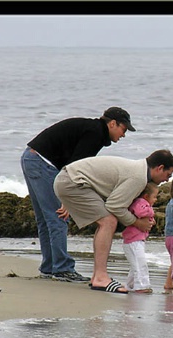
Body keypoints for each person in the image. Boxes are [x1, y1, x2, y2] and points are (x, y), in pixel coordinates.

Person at [21, 106, 136, 283]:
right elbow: (75, 168)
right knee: (59, 216)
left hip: (31, 157)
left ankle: (50, 267)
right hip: (42, 162)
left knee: (46, 219)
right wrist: (67, 200)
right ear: (113, 123)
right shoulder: (96, 134)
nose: (124, 134)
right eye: (124, 129)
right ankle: (62, 269)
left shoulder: (93, 129)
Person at [53, 149, 173, 294]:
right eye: (168, 175)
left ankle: (97, 276)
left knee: (106, 221)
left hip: (70, 179)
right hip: (72, 182)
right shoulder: (138, 177)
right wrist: (138, 223)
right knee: (108, 221)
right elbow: (114, 206)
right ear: (159, 168)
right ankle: (100, 278)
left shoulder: (139, 170)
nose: (167, 180)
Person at [121, 182, 159, 294]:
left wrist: (151, 219)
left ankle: (130, 285)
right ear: (146, 196)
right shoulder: (141, 203)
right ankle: (141, 285)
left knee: (135, 264)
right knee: (140, 263)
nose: (156, 200)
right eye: (154, 197)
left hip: (135, 240)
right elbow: (140, 212)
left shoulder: (141, 203)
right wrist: (152, 213)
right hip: (134, 240)